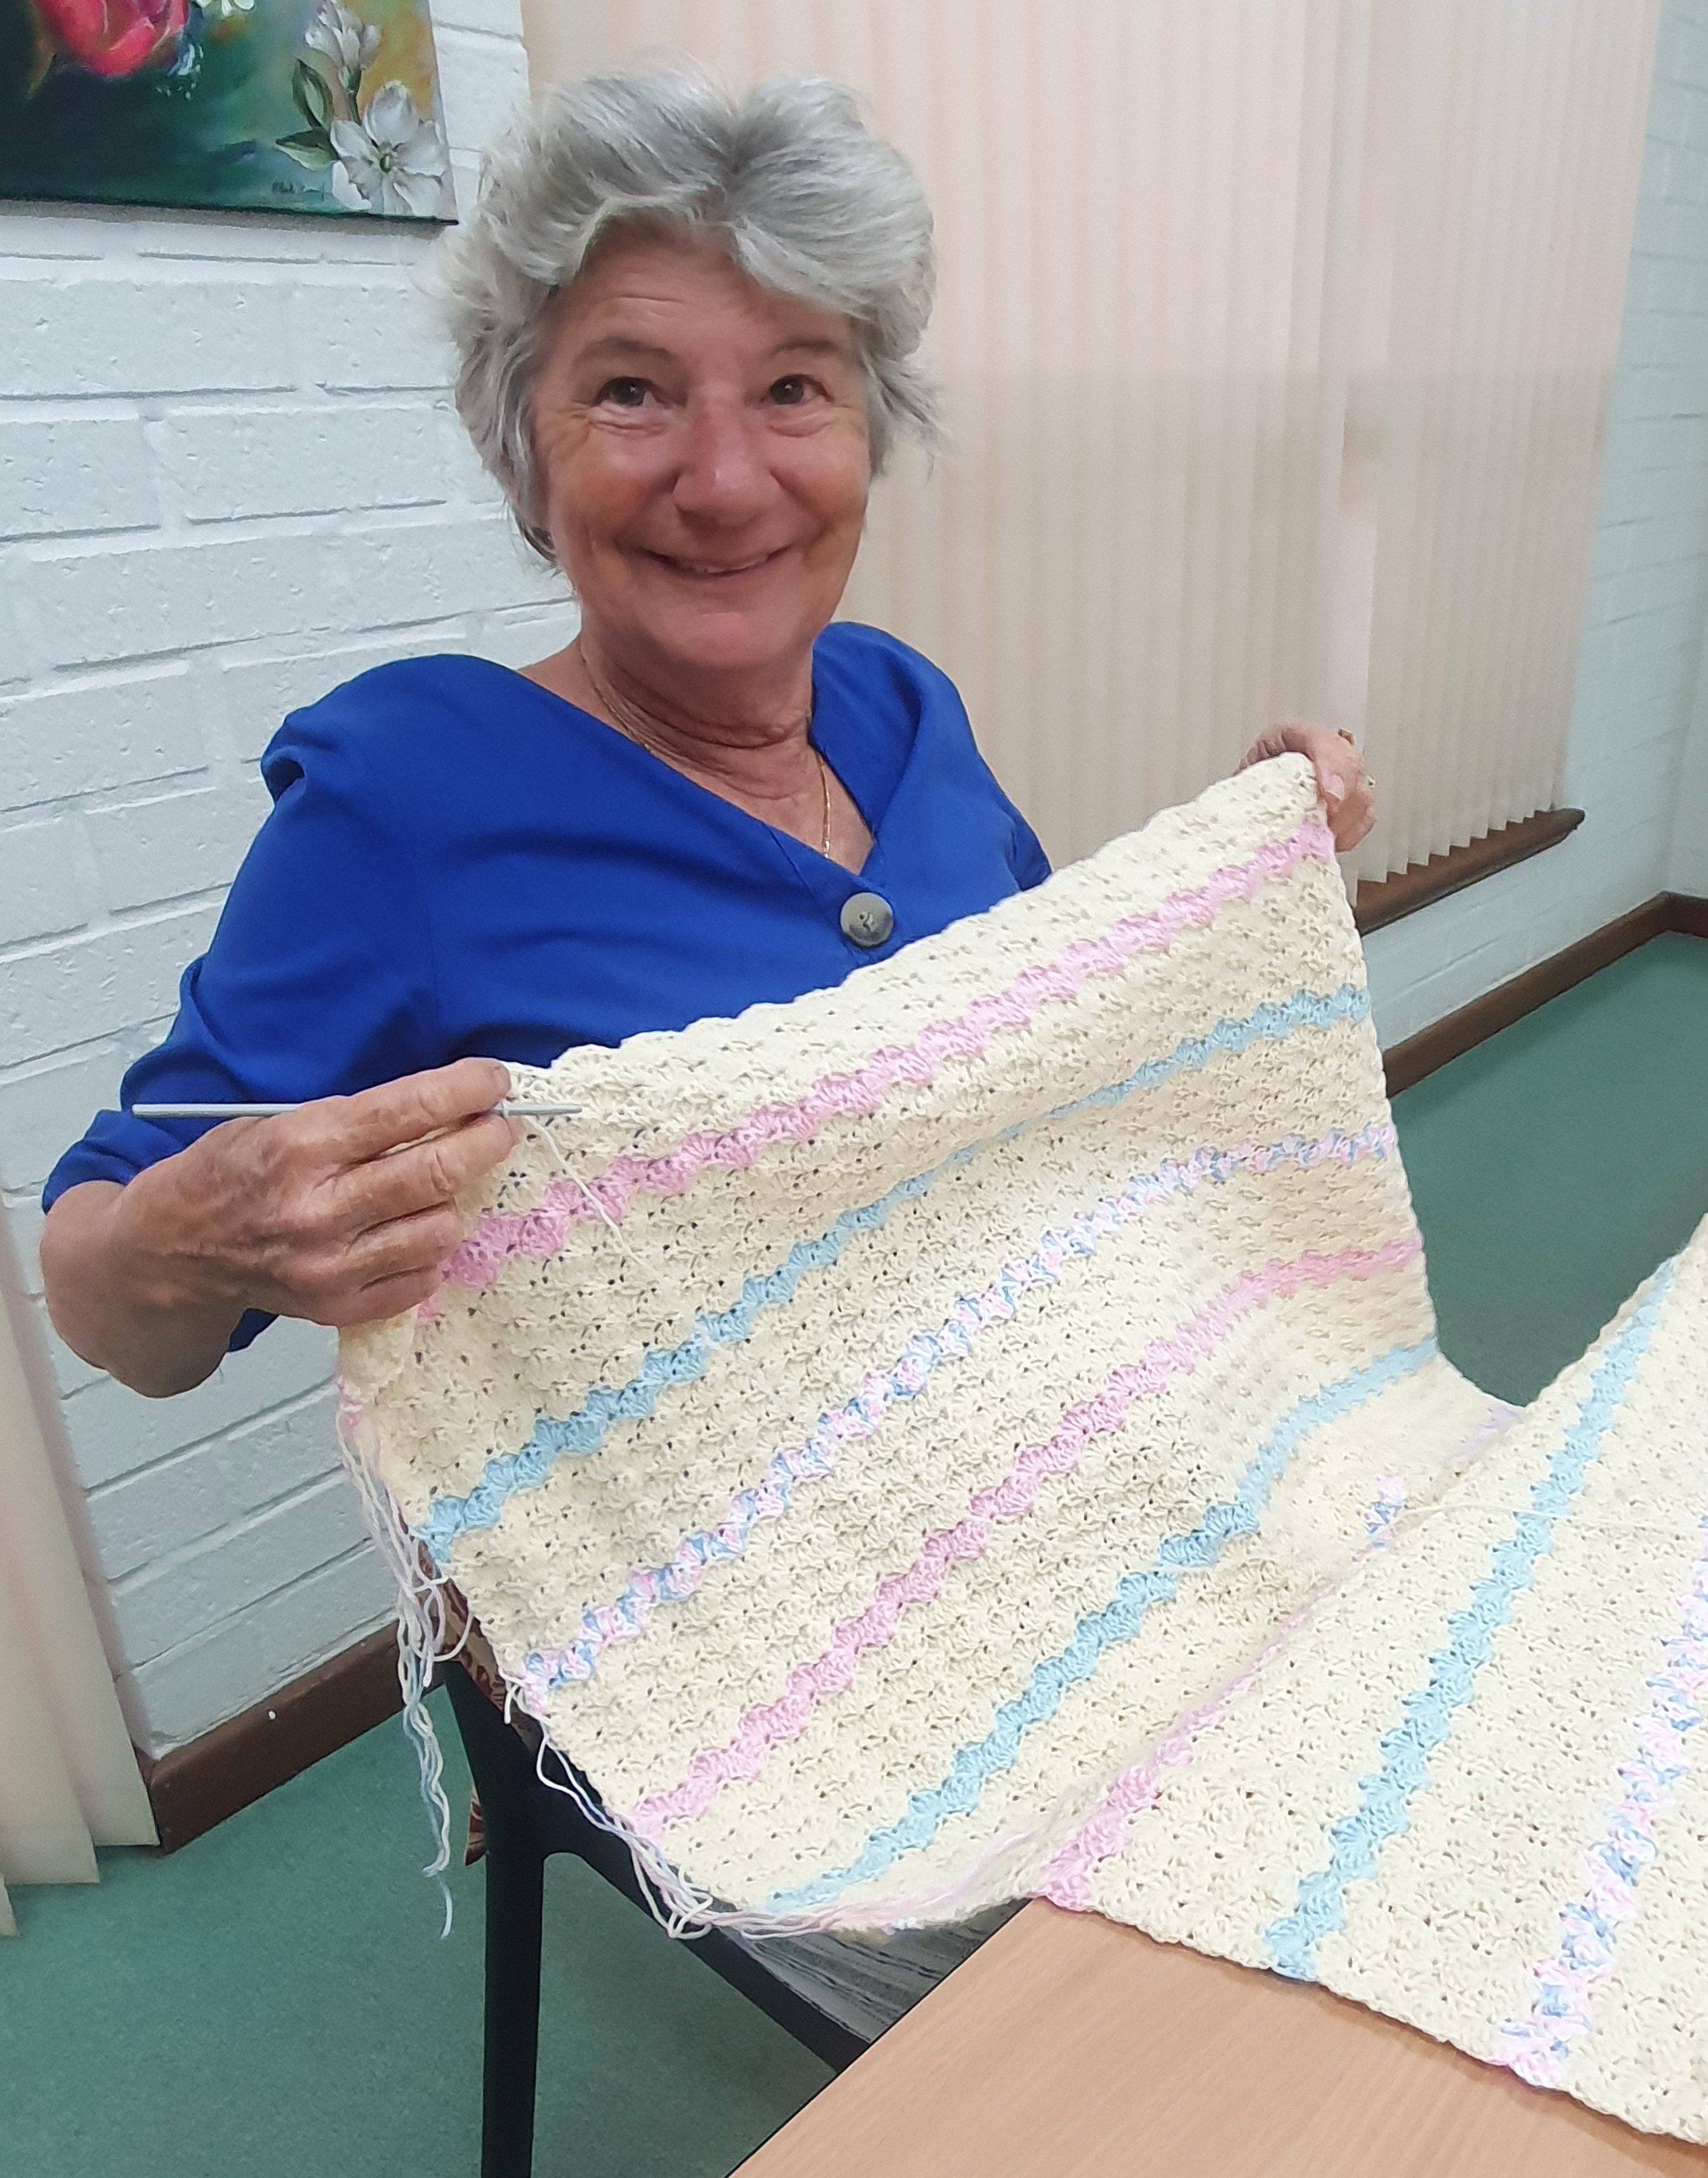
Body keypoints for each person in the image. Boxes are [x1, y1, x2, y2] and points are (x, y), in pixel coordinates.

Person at [39, 67, 1374, 2040]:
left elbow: (1010, 1064)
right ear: (524, 451)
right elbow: (108, 1296)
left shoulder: (902, 709)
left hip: (1035, 1440)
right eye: (632, 391)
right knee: (1183, 2006)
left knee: (1402, 1673)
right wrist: (194, 1236)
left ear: (870, 428)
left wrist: (1223, 883)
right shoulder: (409, 799)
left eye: (794, 387)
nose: (727, 479)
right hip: (716, 1612)